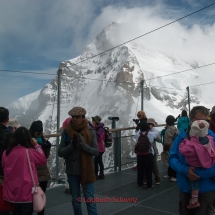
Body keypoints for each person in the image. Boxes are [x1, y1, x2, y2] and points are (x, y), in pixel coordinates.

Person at [169, 106, 215, 215]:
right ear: (191, 118)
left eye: (206, 120)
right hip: (185, 188)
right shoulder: (181, 137)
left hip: (206, 190)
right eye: (199, 120)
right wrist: (186, 170)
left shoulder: (212, 137)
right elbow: (172, 158)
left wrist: (193, 173)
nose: (202, 124)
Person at [58, 107, 99, 215]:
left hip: (87, 169)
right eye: (73, 117)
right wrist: (71, 146)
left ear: (83, 117)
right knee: (76, 200)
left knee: (90, 199)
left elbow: (95, 151)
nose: (74, 119)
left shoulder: (90, 131)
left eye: (77, 117)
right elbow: (60, 152)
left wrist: (84, 146)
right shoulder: (66, 132)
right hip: (72, 171)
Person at [2, 127, 46, 215]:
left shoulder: (6, 153)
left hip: (12, 193)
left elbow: (4, 167)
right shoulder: (29, 152)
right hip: (27, 192)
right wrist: (36, 145)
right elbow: (43, 160)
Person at [179, 120, 215, 209]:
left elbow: (183, 150)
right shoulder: (210, 139)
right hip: (206, 165)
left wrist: (184, 141)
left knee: (194, 181)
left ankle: (194, 200)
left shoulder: (191, 144)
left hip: (194, 166)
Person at [29, 120, 51, 215]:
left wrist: (46, 147)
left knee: (41, 199)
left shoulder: (43, 141)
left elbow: (45, 158)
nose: (39, 135)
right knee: (29, 200)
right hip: (32, 176)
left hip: (42, 175)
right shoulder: (27, 143)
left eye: (41, 133)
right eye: (37, 133)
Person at [135, 121, 159, 190]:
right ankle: (149, 185)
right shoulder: (151, 134)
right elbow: (157, 133)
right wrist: (152, 127)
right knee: (149, 170)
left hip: (139, 154)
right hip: (148, 154)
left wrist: (139, 128)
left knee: (140, 170)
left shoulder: (137, 134)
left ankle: (140, 184)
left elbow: (136, 136)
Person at [143, 118, 161, 185]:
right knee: (152, 165)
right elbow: (159, 139)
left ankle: (147, 179)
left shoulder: (144, 130)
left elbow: (159, 139)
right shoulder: (153, 131)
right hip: (150, 150)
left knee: (149, 165)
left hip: (147, 151)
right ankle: (155, 179)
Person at [163, 115, 178, 182]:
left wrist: (165, 148)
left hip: (171, 147)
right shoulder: (175, 129)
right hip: (176, 146)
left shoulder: (168, 130)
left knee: (171, 160)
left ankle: (174, 175)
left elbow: (167, 141)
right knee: (173, 160)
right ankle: (170, 174)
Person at [92, 115, 105, 180]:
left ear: (96, 121)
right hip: (100, 148)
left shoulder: (100, 129)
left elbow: (99, 138)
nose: (92, 121)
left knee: (96, 162)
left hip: (99, 148)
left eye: (93, 120)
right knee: (99, 161)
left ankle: (96, 175)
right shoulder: (98, 128)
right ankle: (101, 174)